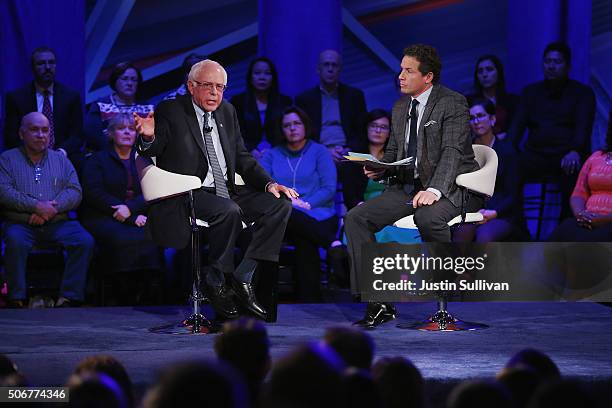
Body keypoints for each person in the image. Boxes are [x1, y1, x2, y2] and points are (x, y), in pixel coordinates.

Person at [134, 59, 294, 321]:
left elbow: (242, 157)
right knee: (229, 210)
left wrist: (269, 183)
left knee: (279, 204)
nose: (214, 93)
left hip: (226, 189)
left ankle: (244, 273)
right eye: (207, 86)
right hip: (187, 193)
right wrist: (149, 136)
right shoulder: (171, 110)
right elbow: (154, 149)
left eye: (220, 87)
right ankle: (218, 277)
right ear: (191, 86)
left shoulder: (228, 112)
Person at [344, 44, 483, 328]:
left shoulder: (452, 102)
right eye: (401, 70)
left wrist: (434, 190)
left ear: (428, 76)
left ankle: (443, 298)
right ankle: (378, 301)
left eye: (409, 71)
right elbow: (396, 155)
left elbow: (452, 153)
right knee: (356, 218)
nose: (401, 76)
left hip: (456, 187)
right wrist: (380, 170)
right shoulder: (399, 107)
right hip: (409, 187)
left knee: (428, 216)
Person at [0, 112, 94, 308]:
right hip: (21, 223)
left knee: (83, 240)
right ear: (21, 133)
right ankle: (17, 298)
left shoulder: (60, 160)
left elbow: (75, 191)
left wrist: (52, 208)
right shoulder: (7, 159)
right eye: (34, 130)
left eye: (45, 130)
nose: (41, 135)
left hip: (58, 222)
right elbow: (4, 192)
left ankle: (69, 297)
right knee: (15, 241)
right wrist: (36, 206)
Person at [509, 42, 596, 220]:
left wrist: (575, 151)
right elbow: (516, 128)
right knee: (510, 166)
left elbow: (583, 127)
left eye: (557, 62)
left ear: (568, 66)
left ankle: (565, 229)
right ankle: (517, 225)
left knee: (573, 170)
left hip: (566, 155)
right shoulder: (531, 92)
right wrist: (510, 149)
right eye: (547, 61)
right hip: (536, 154)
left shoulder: (582, 93)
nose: (551, 66)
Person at [260, 106, 337, 302]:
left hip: (318, 213)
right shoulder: (271, 155)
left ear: (305, 126)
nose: (292, 128)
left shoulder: (319, 151)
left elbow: (329, 188)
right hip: (285, 216)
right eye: (287, 125)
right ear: (281, 129)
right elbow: (263, 185)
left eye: (297, 123)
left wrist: (306, 204)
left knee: (304, 237)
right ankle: (331, 244)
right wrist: (290, 204)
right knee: (289, 214)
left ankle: (308, 297)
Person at [80, 114, 160, 274]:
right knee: (121, 238)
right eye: (121, 128)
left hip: (137, 214)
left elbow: (152, 190)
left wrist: (130, 209)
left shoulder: (144, 160)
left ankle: (149, 290)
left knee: (154, 236)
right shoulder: (96, 160)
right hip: (103, 216)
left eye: (131, 129)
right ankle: (118, 291)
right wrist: (129, 217)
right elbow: (94, 193)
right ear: (110, 133)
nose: (126, 133)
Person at [453, 98, 526, 242]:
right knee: (461, 231)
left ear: (492, 119)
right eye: (471, 118)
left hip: (502, 212)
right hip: (472, 211)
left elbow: (513, 195)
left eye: (480, 116)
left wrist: (493, 212)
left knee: (485, 236)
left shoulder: (508, 153)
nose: (476, 121)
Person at [3, 46, 83, 159]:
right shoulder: (16, 98)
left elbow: (77, 135)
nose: (47, 67)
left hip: (61, 156)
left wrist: (60, 153)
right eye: (41, 63)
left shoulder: (71, 97)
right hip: (27, 156)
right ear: (32, 68)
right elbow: (11, 137)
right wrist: (31, 153)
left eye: (51, 63)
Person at [547, 125, 612, 241]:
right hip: (586, 220)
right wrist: (580, 214)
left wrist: (603, 219)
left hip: (608, 223)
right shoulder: (596, 157)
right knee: (565, 228)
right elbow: (578, 194)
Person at [230, 57, 292, 160]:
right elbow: (234, 133)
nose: (262, 77)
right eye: (257, 73)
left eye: (267, 73)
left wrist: (273, 151)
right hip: (245, 155)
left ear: (273, 77)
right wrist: (251, 150)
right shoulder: (238, 101)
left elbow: (287, 131)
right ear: (250, 77)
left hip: (279, 154)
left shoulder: (285, 102)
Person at [84, 62, 154, 151]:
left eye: (134, 80)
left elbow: (151, 138)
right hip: (107, 156)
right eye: (124, 79)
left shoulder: (147, 108)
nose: (129, 83)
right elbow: (92, 136)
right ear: (115, 81)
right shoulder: (100, 105)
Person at [467, 55, 519, 138]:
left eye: (489, 69)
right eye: (480, 71)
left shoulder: (513, 101)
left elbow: (516, 130)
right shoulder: (469, 102)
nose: (484, 74)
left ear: (499, 72)